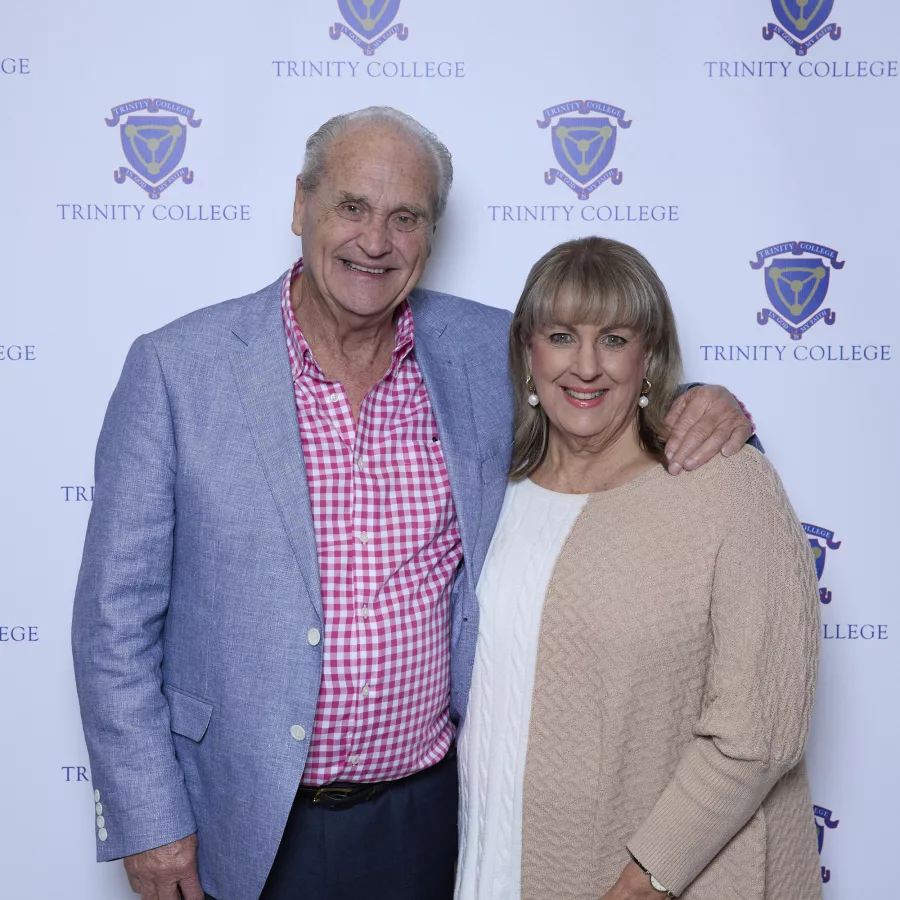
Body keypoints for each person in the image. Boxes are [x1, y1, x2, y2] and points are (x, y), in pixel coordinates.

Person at [71, 108, 754, 900]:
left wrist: (704, 403)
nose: (375, 241)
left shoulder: (485, 353)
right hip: (240, 815)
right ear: (301, 206)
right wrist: (150, 819)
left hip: (431, 816)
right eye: (352, 207)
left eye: (405, 218)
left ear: (430, 235)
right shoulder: (176, 370)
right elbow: (112, 624)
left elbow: (602, 378)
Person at [454, 236, 821, 900]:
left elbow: (759, 731)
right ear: (527, 352)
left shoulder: (725, 485)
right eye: (562, 336)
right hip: (492, 861)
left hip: (653, 880)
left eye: (615, 339)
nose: (587, 366)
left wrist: (650, 874)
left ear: (648, 355)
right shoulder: (492, 492)